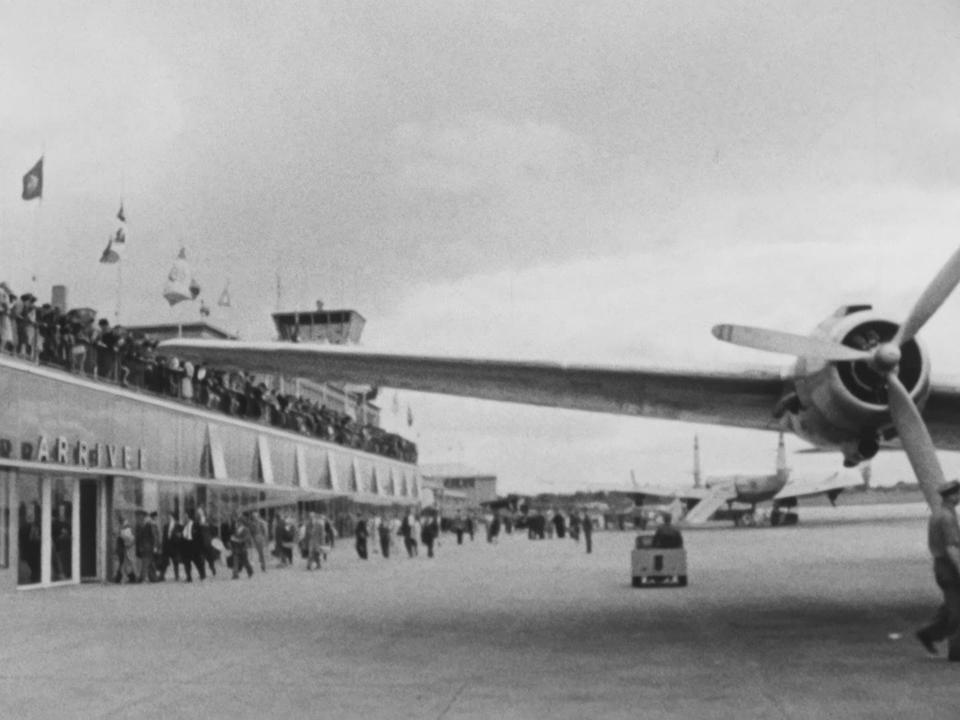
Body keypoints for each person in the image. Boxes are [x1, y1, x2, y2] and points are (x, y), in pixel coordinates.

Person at [917, 479, 960, 659]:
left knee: (950, 606)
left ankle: (928, 633)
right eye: (957, 494)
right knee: (957, 613)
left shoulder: (938, 514)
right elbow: (951, 548)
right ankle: (955, 653)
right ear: (952, 496)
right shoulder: (947, 518)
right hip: (948, 566)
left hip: (941, 566)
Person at [160, 511, 183, 581]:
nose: (169, 518)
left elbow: (181, 536)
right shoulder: (166, 526)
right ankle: (162, 576)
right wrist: (163, 546)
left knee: (175, 562)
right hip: (167, 546)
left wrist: (178, 538)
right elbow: (164, 536)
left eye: (170, 517)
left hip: (174, 546)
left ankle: (177, 576)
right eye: (168, 517)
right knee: (164, 562)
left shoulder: (178, 526)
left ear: (173, 517)